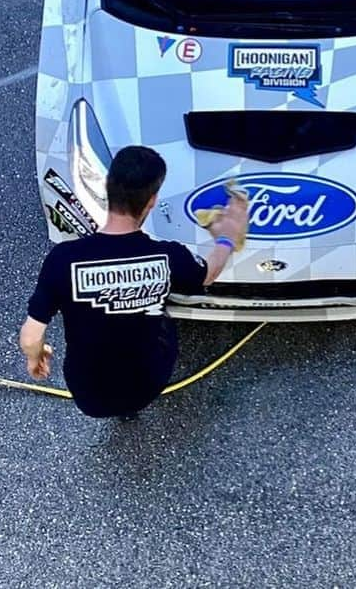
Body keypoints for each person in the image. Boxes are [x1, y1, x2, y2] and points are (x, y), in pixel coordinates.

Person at [19, 146, 248, 418]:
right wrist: (226, 239)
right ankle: (130, 408)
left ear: (107, 187)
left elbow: (31, 336)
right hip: (147, 385)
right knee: (164, 319)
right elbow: (207, 273)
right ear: (151, 201)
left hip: (88, 393)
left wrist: (36, 357)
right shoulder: (168, 256)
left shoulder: (63, 259)